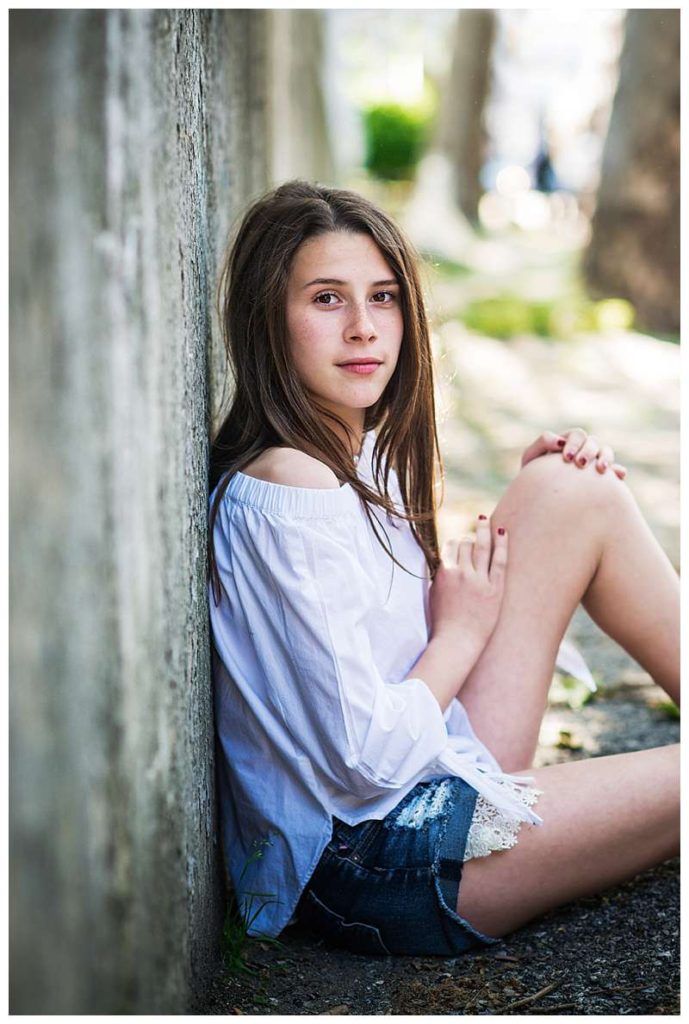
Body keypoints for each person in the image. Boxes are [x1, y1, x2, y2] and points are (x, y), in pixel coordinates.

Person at [207, 179, 679, 957]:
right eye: (327, 300)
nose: (364, 329)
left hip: (434, 758)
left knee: (572, 487)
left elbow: (374, 606)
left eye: (383, 297)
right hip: (372, 860)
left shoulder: (351, 447)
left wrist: (526, 504)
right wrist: (458, 635)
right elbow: (363, 764)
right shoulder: (289, 487)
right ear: (267, 320)